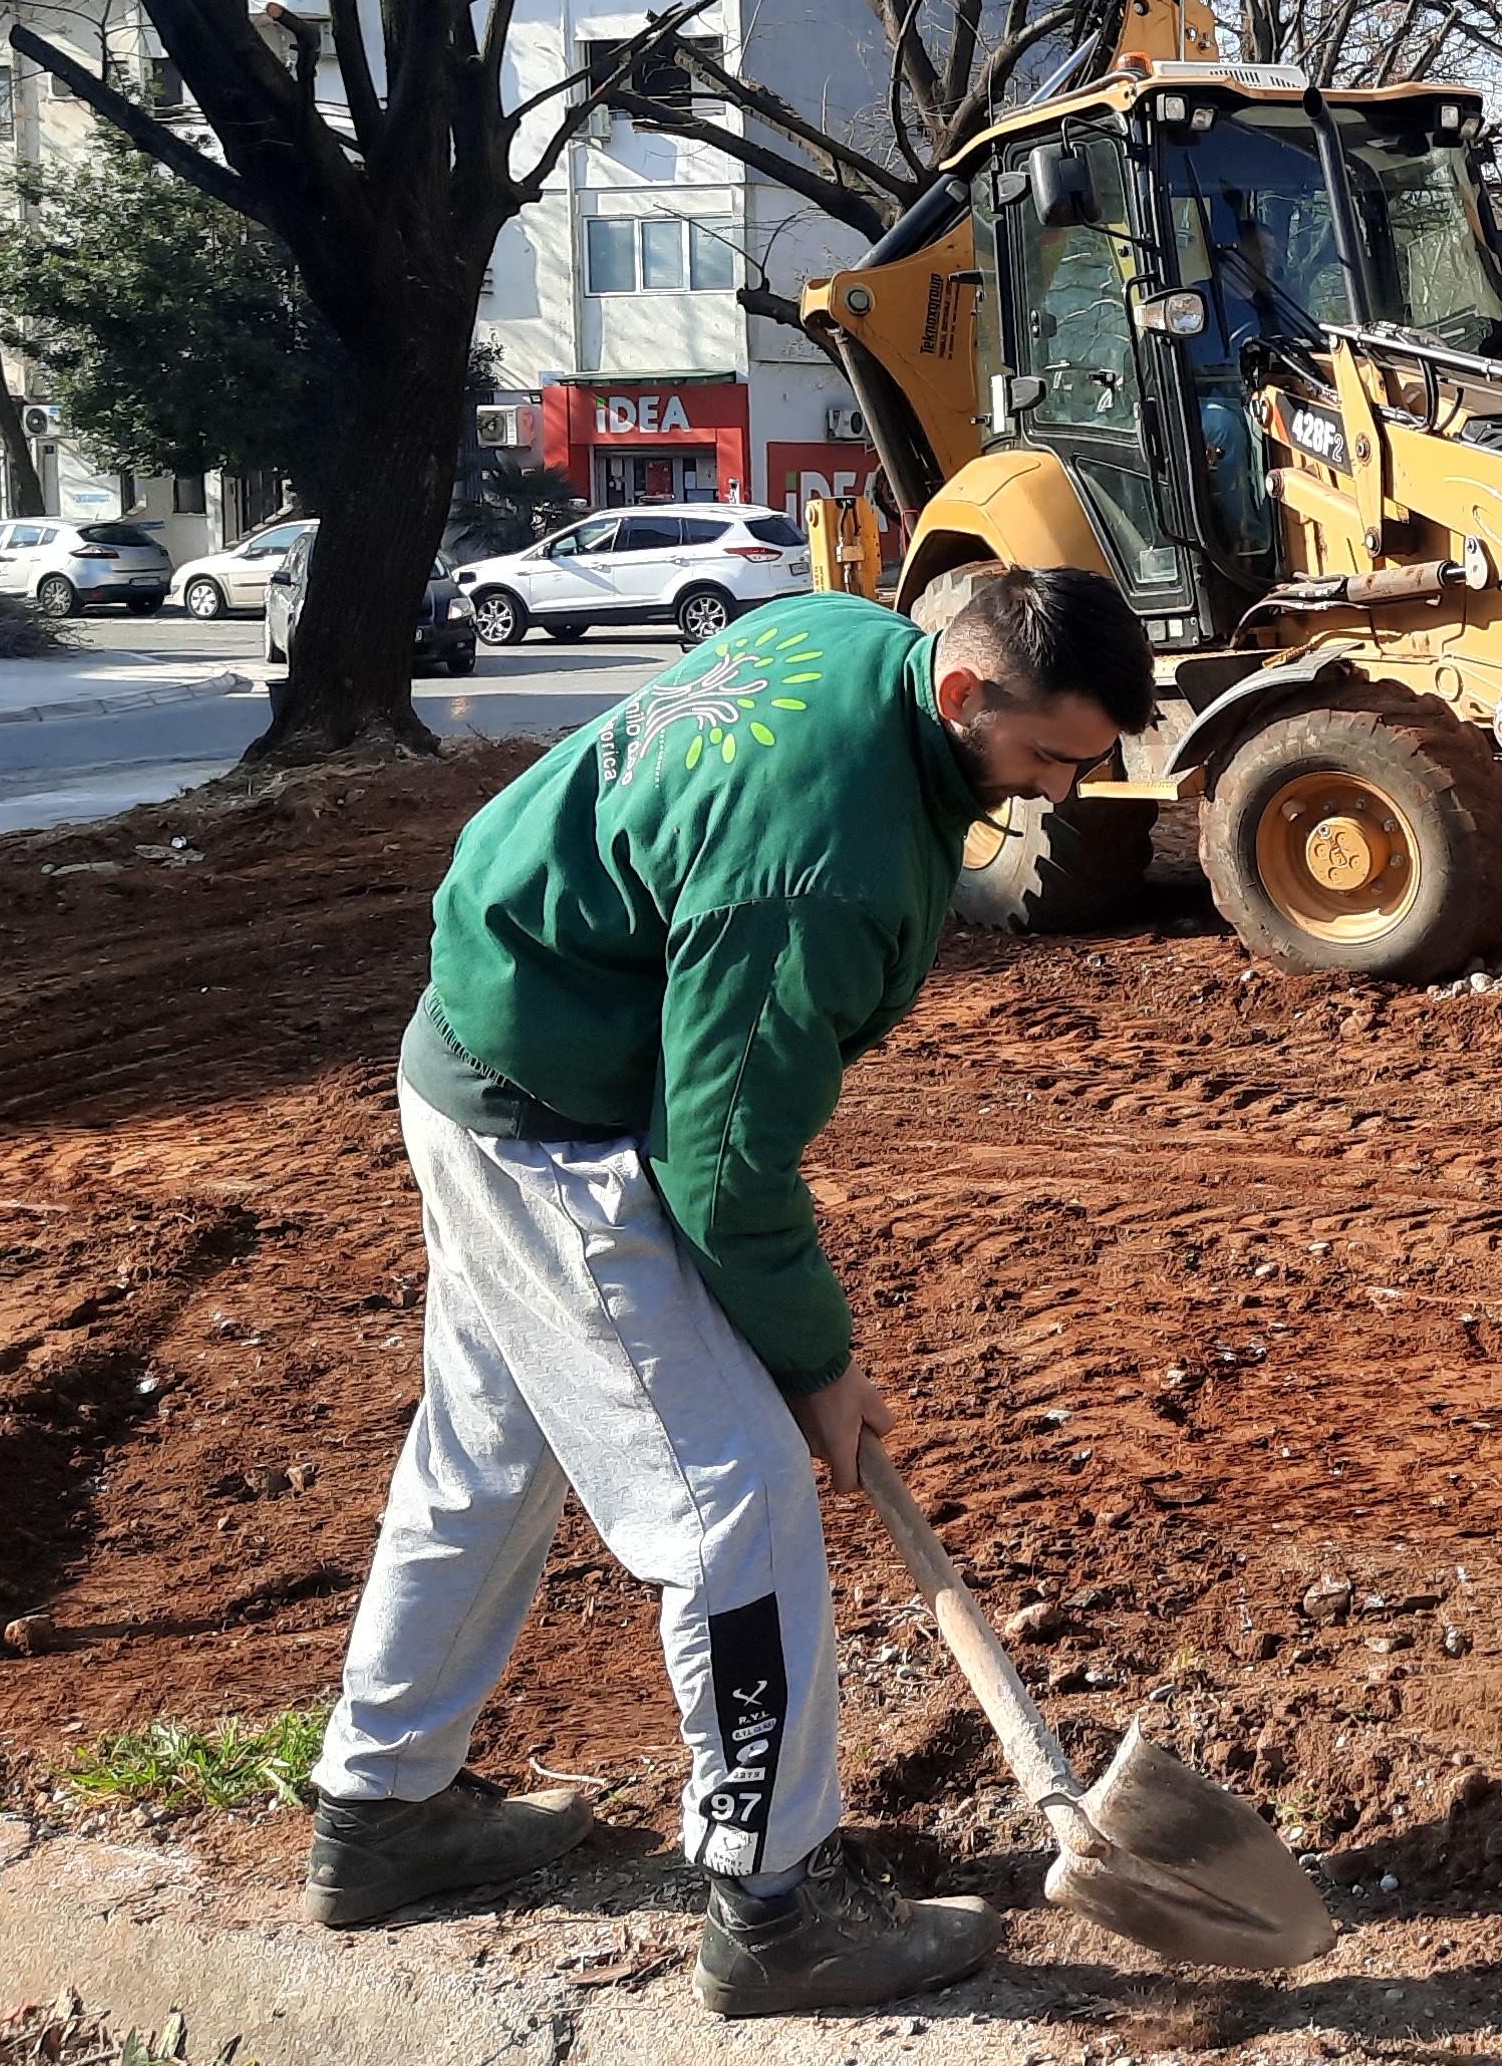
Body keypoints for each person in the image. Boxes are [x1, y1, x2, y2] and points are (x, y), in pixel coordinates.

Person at [302, 566, 1159, 2014]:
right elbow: (720, 1168)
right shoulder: (826, 860)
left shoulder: (846, 633)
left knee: (491, 1450)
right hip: (552, 1121)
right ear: (963, 691)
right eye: (1048, 758)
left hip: (483, 1042)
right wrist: (816, 1363)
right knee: (736, 1498)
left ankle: (380, 1811)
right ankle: (774, 1908)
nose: (1067, 795)